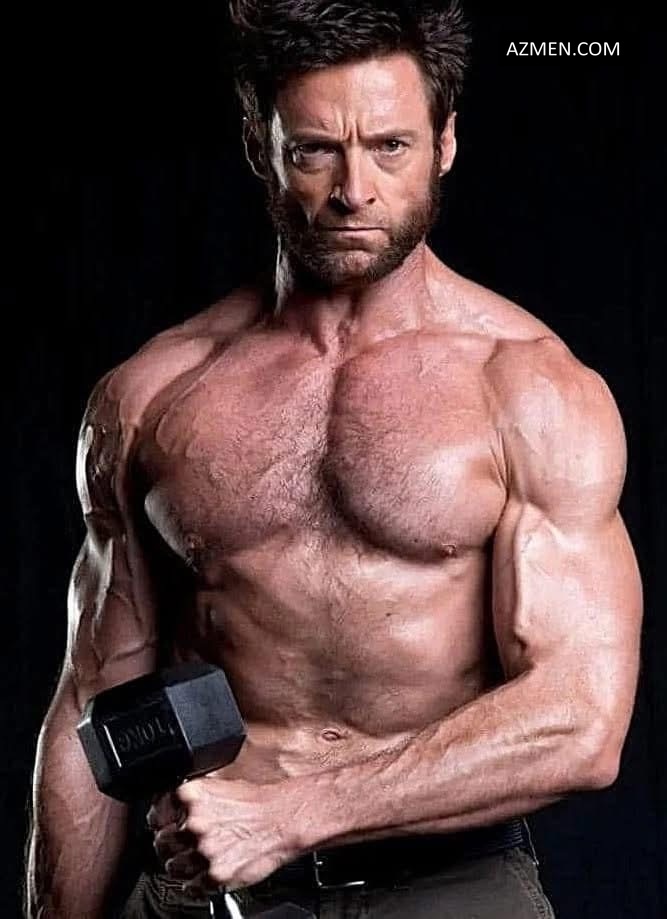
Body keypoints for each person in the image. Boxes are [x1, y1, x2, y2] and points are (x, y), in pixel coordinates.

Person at [26, 1, 643, 917]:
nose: (355, 189)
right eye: (315, 150)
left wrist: (291, 813)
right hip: (209, 887)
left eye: (390, 147)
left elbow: (580, 719)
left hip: (445, 884)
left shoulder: (528, 388)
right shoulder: (152, 395)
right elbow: (94, 701)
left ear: (444, 144)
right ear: (260, 147)